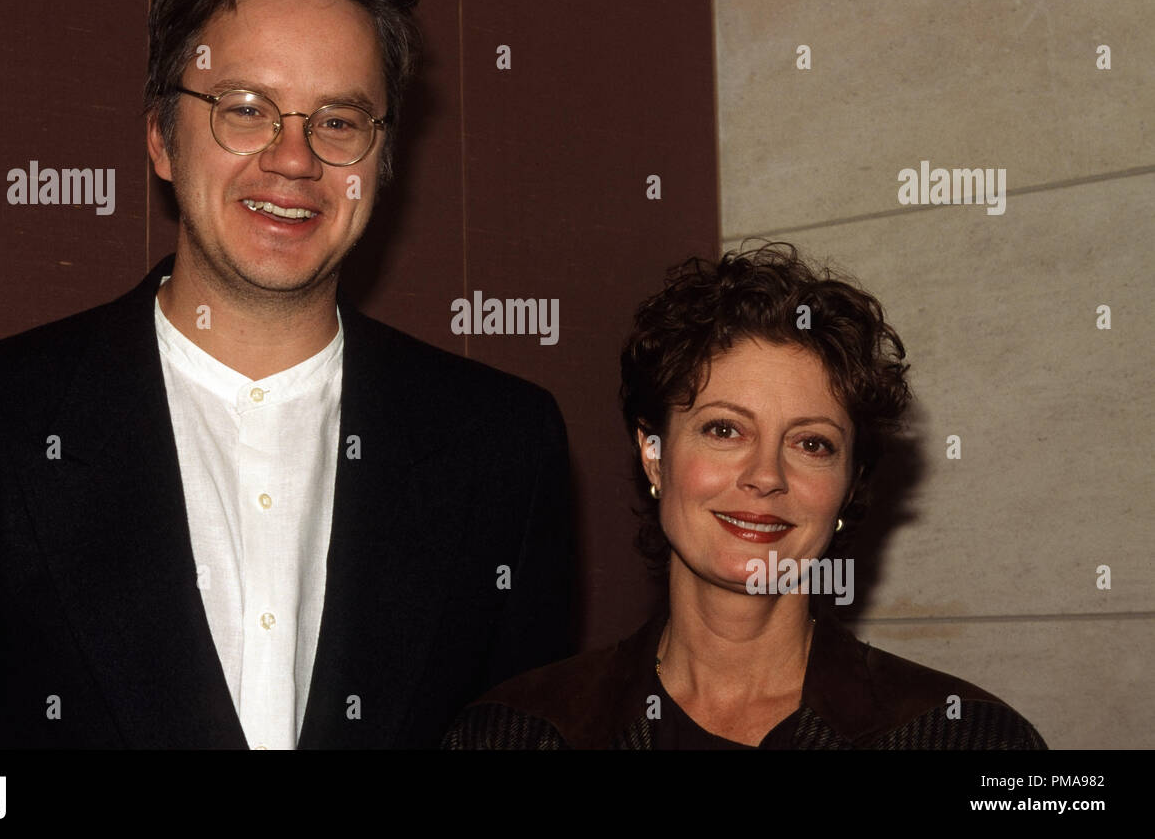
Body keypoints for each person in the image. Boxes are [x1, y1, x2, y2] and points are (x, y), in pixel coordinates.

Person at [0, 0, 573, 749]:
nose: (294, 158)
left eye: (339, 121)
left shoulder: (503, 449)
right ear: (161, 136)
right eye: (245, 108)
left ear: (382, 162)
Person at [444, 243, 1045, 749]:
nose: (766, 475)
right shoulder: (512, 734)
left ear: (850, 485)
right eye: (724, 429)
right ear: (654, 454)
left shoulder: (968, 737)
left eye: (811, 444)